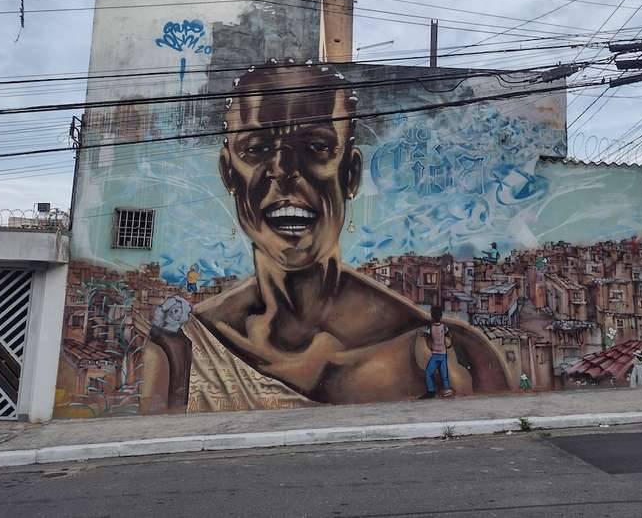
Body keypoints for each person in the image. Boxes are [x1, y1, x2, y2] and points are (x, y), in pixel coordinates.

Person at [184, 60, 511, 409]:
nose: (282, 170)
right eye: (255, 149)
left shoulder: (449, 350)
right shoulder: (194, 337)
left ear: (351, 174)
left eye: (316, 147)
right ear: (228, 174)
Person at [417, 306, 454, 399]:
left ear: (432, 316)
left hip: (436, 354)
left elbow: (427, 335)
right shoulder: (444, 327)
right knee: (444, 375)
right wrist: (449, 345)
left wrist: (422, 334)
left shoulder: (430, 326)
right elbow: (450, 336)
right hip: (443, 354)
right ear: (441, 316)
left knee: (428, 373)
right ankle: (447, 391)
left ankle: (431, 392)